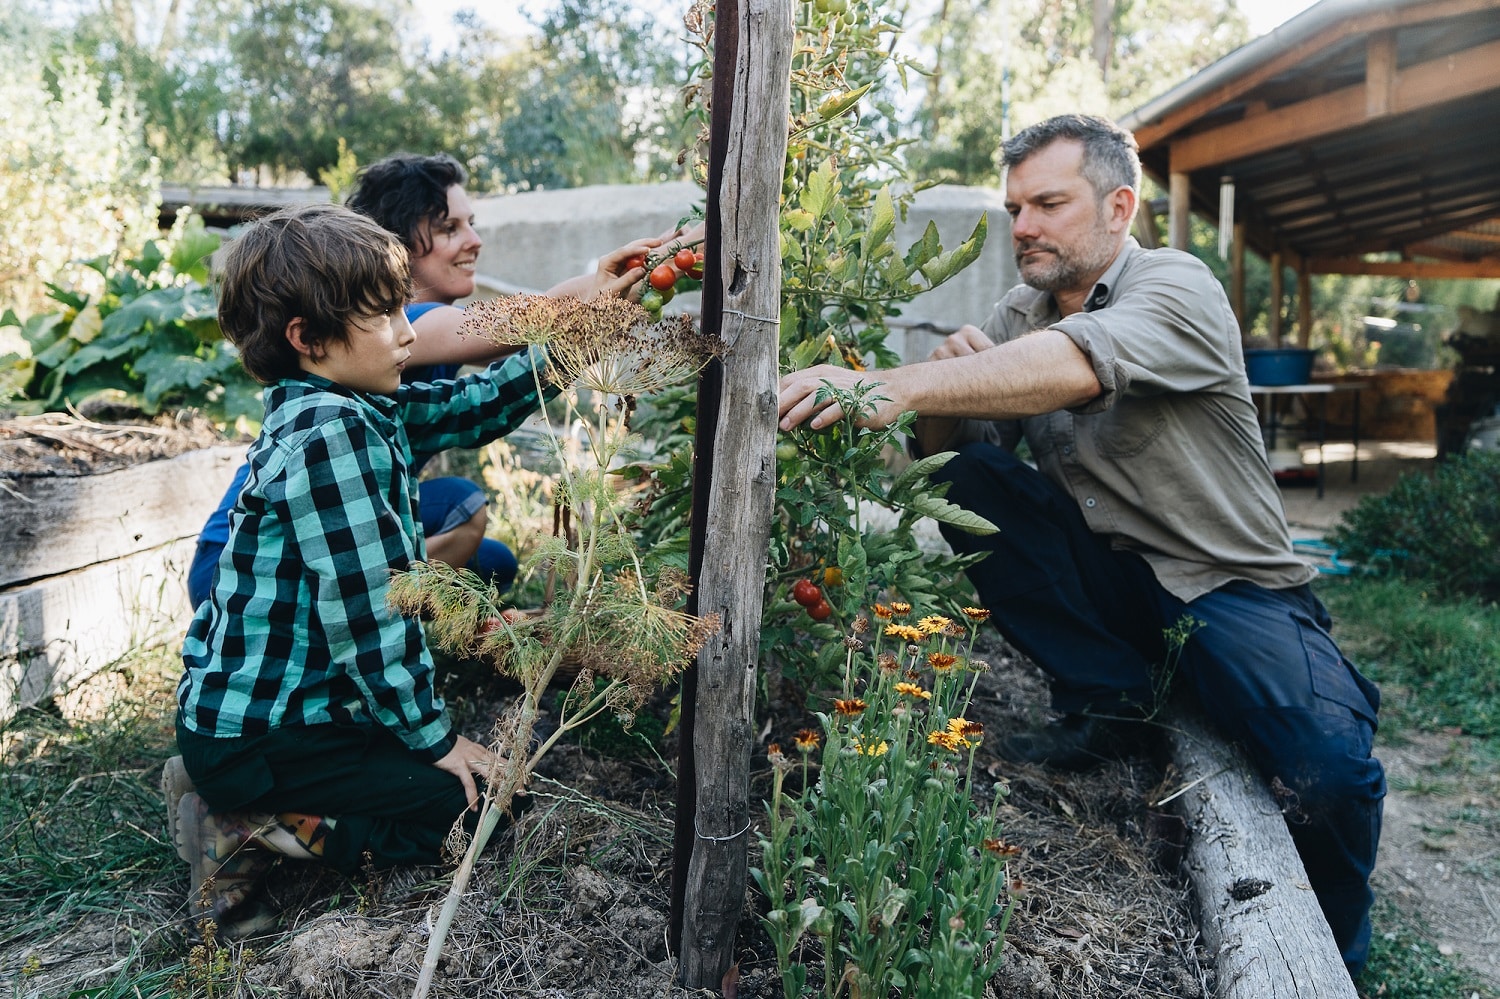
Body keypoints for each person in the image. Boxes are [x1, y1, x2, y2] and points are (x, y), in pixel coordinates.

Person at [777, 114, 1385, 978]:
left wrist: (894, 383)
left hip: (1226, 586)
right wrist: (940, 394)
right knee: (973, 481)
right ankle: (1109, 699)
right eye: (1015, 206)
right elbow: (958, 455)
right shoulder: (1015, 313)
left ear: (1118, 206)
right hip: (1111, 579)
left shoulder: (1177, 286)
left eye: (1049, 203)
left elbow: (1079, 364)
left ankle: (1339, 961)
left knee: (1327, 771)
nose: (1023, 226)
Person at [164, 203, 557, 937]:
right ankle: (244, 822)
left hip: (284, 718)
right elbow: (375, 611)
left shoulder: (337, 403)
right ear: (308, 338)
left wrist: (572, 341)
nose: (410, 331)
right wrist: (435, 738)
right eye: (385, 317)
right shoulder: (333, 437)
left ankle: (225, 783)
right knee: (479, 813)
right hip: (268, 735)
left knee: (466, 787)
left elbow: (471, 403)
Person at [187, 152, 674, 607]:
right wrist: (609, 288)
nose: (474, 240)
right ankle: (372, 630)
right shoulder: (398, 331)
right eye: (448, 228)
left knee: (493, 565)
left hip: (334, 531)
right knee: (457, 512)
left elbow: (481, 400)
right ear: (395, 244)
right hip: (244, 570)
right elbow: (529, 317)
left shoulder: (379, 342)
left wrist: (596, 315)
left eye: (470, 224)